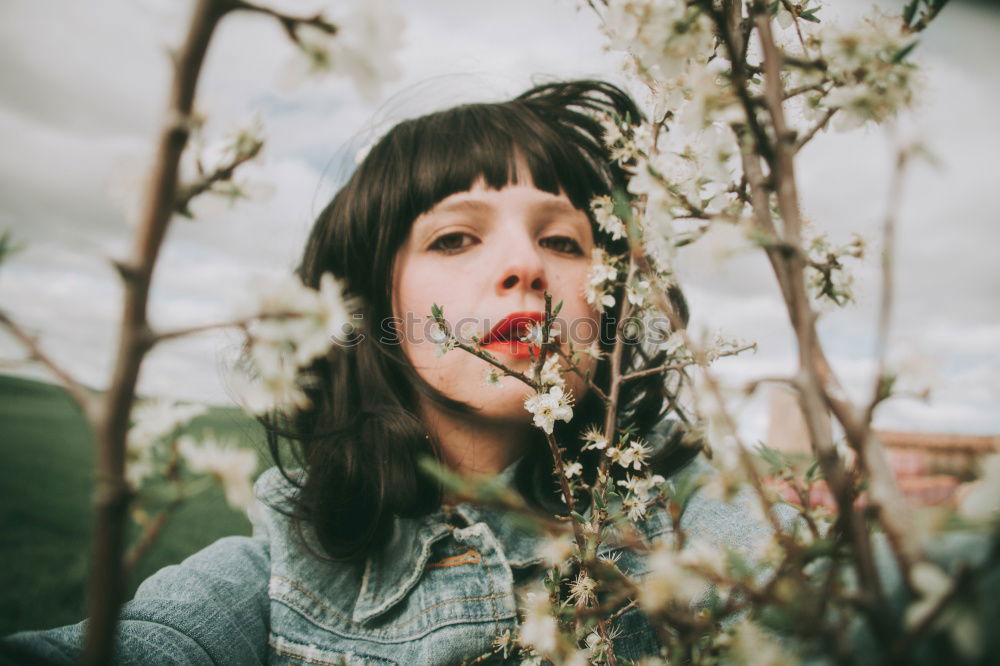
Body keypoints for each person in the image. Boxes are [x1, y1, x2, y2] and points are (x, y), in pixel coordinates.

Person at [1, 80, 773, 665]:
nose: (524, 265)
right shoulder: (275, 576)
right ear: (372, 299)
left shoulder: (691, 507)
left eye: (565, 243)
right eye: (454, 239)